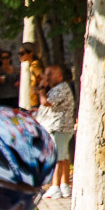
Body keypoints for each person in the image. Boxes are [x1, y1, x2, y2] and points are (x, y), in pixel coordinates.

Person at [37, 64, 76, 198]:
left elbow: (45, 102)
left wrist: (41, 88)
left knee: (58, 158)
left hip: (59, 127)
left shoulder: (61, 88)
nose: (46, 77)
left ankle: (55, 187)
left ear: (59, 76)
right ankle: (64, 185)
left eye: (50, 74)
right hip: (58, 127)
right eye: (45, 74)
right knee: (63, 157)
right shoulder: (57, 89)